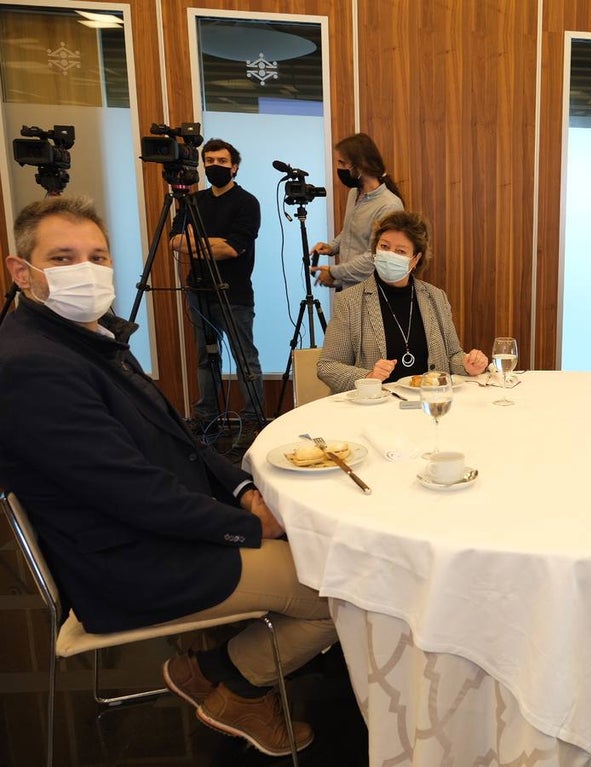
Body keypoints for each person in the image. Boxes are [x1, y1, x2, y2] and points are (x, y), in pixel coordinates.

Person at [0, 197, 338, 757]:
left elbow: (178, 434)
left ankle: (208, 668)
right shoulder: (32, 365)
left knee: (311, 545)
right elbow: (134, 496)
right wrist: (250, 529)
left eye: (97, 256)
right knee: (337, 587)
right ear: (22, 271)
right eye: (62, 258)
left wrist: (243, 489)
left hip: (151, 532)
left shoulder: (83, 334)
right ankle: (237, 683)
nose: (85, 270)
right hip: (130, 562)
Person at [318, 210, 488, 390]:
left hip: (430, 402)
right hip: (377, 409)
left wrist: (467, 364)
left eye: (400, 251)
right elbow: (328, 366)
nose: (390, 254)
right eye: (384, 247)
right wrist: (368, 376)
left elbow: (453, 355)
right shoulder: (350, 301)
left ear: (415, 259)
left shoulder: (436, 297)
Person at [168, 138, 264, 427]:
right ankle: (206, 416)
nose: (214, 166)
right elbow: (174, 240)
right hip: (199, 291)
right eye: (209, 161)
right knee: (205, 358)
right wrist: (210, 244)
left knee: (245, 358)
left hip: (234, 293)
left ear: (234, 167)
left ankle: (252, 419)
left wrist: (195, 244)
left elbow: (233, 248)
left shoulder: (247, 203)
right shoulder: (193, 201)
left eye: (221, 162)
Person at [309, 132, 405, 288]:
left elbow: (373, 259)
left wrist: (334, 272)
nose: (338, 168)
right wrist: (332, 247)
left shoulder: (389, 206)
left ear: (359, 166)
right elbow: (351, 231)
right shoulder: (354, 193)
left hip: (370, 295)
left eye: (342, 163)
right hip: (349, 290)